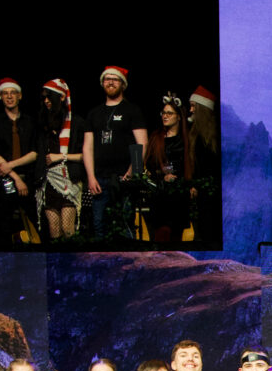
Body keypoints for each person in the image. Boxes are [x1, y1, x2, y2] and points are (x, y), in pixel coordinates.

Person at [81, 65, 148, 239]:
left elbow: (141, 143)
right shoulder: (94, 113)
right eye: (107, 79)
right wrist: (91, 177)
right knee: (99, 226)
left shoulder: (132, 110)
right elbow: (87, 147)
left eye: (115, 79)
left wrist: (133, 172)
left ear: (123, 84)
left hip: (124, 178)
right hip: (100, 179)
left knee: (126, 226)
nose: (110, 82)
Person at [0, 78, 40, 244]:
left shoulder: (30, 122)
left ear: (19, 96)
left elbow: (35, 153)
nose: (9, 97)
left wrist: (11, 166)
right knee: (3, 225)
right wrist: (16, 178)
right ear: (1, 97)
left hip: (29, 179)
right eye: (5, 93)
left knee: (36, 222)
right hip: (6, 180)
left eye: (13, 93)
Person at [143, 93, 197, 241]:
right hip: (161, 194)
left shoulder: (186, 139)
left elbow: (192, 164)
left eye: (169, 113)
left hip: (180, 195)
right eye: (163, 113)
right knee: (162, 234)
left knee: (176, 236)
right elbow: (149, 165)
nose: (165, 116)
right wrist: (162, 176)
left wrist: (191, 184)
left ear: (178, 117)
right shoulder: (156, 137)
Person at [37, 78, 84, 241]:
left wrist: (61, 156)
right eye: (44, 97)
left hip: (69, 180)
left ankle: (71, 257)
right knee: (54, 231)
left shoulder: (77, 123)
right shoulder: (43, 124)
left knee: (67, 229)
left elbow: (85, 155)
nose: (46, 101)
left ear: (62, 97)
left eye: (49, 97)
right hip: (48, 182)